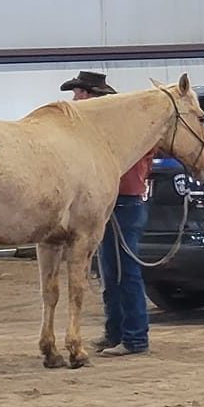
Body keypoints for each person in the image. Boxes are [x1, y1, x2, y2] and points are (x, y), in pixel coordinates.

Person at [61, 70, 153, 357]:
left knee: (125, 273)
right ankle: (115, 333)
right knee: (111, 274)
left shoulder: (121, 131)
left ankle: (135, 338)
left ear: (90, 95)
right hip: (111, 204)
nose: (75, 98)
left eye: (78, 92)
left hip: (124, 202)